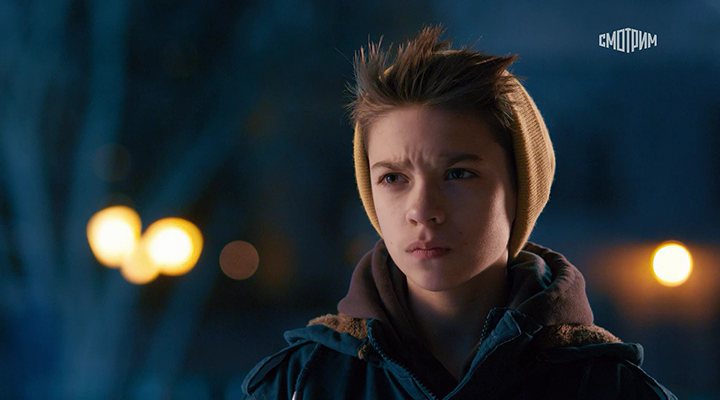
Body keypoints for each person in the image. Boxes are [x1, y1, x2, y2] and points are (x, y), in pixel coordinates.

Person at [240, 25, 677, 399]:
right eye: (393, 178)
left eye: (458, 174)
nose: (422, 210)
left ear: (521, 189)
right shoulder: (299, 385)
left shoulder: (610, 388)